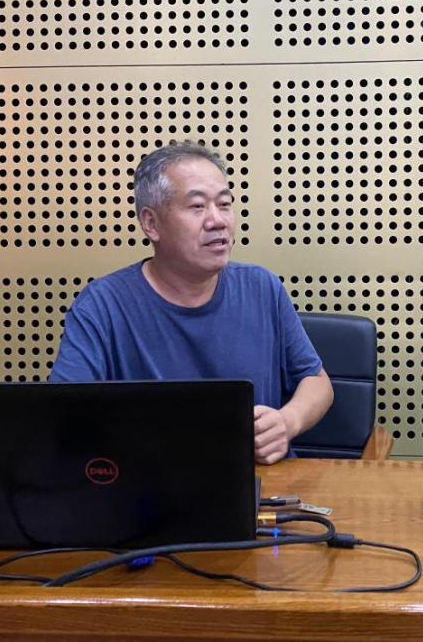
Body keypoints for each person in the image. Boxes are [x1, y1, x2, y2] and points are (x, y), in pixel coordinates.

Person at [50, 141, 334, 464]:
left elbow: (317, 382)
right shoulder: (102, 306)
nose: (217, 220)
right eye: (197, 206)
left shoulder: (262, 287)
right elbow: (64, 417)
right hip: (148, 483)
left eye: (224, 204)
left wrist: (287, 422)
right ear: (151, 223)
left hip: (257, 480)